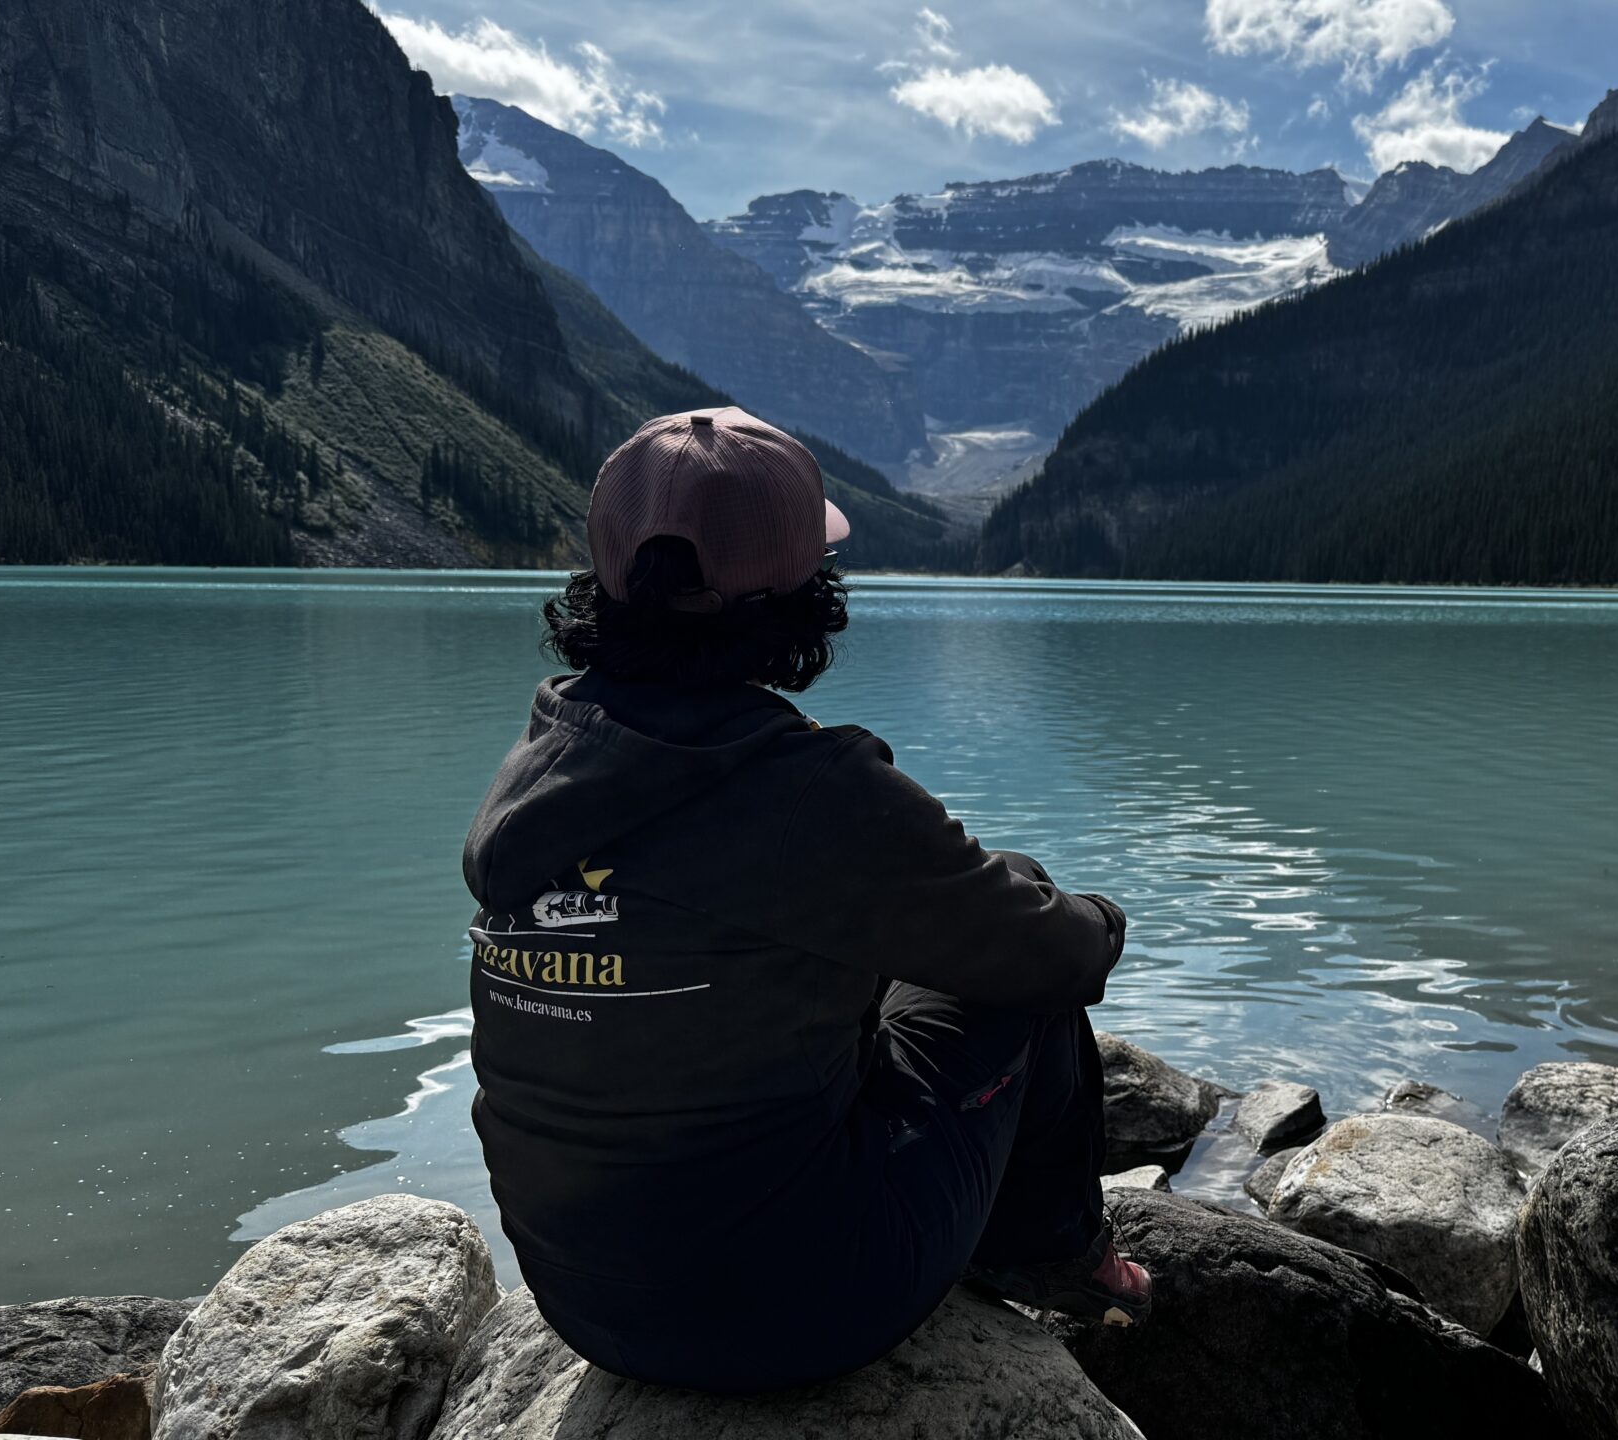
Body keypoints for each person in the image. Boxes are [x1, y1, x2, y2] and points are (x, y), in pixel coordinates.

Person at [460, 407, 1150, 1392]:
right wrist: (1102, 917)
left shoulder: (542, 761)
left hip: (585, 1303)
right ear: (800, 596)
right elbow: (1061, 959)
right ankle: (1055, 1256)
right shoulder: (812, 794)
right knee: (1022, 928)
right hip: (795, 1312)